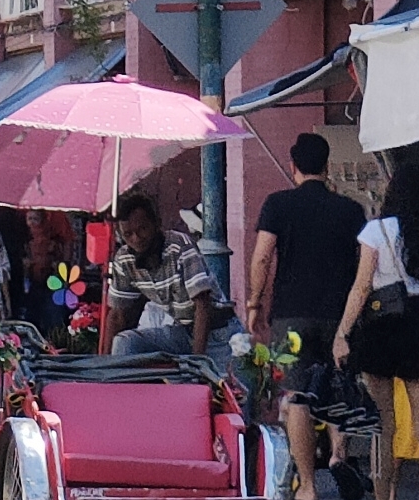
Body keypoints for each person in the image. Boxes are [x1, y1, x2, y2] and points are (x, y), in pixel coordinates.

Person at [245, 133, 366, 500]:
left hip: (291, 316)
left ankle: (308, 487)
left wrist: (254, 302)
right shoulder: (351, 211)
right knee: (337, 387)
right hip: (338, 316)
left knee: (297, 395)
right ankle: (338, 455)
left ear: (293, 165)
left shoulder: (278, 205)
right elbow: (363, 266)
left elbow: (263, 257)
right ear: (327, 167)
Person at [333, 165, 419, 500]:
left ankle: (385, 494)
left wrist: (342, 333)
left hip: (382, 326)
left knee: (386, 424)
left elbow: (360, 289)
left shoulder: (375, 232)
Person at [106, 193, 241, 371]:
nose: (136, 239)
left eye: (142, 229)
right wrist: (103, 368)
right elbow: (117, 315)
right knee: (125, 343)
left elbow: (203, 304)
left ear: (156, 224)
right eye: (128, 234)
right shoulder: (124, 259)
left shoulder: (179, 245)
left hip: (217, 333)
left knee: (225, 391)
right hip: (182, 331)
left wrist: (196, 362)